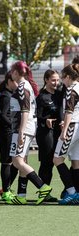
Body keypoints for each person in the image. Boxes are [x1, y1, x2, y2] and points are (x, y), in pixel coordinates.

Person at [8, 61, 52, 205]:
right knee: (23, 161)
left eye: (12, 71)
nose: (10, 73)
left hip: (23, 128)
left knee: (17, 161)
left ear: (16, 72)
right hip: (26, 127)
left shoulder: (22, 86)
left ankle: (42, 186)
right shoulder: (26, 85)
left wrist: (20, 131)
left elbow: (25, 110)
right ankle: (21, 195)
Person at [52, 63, 79, 204]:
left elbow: (69, 112)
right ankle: (77, 193)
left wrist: (64, 130)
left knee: (57, 159)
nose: (62, 81)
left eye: (63, 78)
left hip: (73, 126)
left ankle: (72, 192)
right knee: (76, 162)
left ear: (68, 77)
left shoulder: (71, 89)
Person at [36, 70, 62, 202]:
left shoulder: (59, 94)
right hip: (45, 133)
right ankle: (44, 192)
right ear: (46, 80)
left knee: (55, 161)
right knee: (47, 163)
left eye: (57, 80)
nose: (56, 83)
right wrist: (45, 120)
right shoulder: (41, 97)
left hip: (58, 132)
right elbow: (37, 116)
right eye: (53, 80)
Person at [0, 73, 19, 203]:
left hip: (10, 132)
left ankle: (7, 189)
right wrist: (14, 125)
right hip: (6, 133)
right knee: (7, 162)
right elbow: (3, 115)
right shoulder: (5, 96)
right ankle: (5, 191)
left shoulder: (10, 95)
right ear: (9, 81)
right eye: (15, 81)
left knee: (14, 161)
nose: (17, 83)